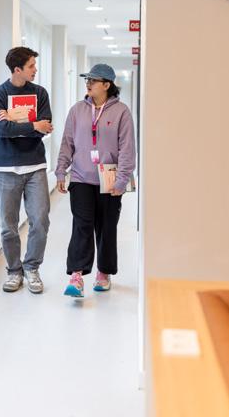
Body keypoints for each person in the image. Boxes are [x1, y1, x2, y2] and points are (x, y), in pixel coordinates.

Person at [55, 63, 136, 298]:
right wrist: (61, 171)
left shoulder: (121, 112)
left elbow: (127, 148)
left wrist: (122, 180)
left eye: (93, 80)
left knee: (106, 228)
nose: (88, 83)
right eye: (87, 79)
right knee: (81, 225)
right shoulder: (77, 110)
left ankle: (104, 271)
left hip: (109, 180)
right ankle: (76, 275)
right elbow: (67, 142)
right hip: (81, 178)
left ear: (107, 85)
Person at [0, 46, 53, 294]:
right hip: (6, 168)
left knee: (40, 221)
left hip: (36, 166)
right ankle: (14, 271)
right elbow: (2, 130)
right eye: (31, 66)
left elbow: (45, 127)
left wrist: (16, 121)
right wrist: (32, 125)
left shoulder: (40, 93)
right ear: (17, 69)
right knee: (9, 226)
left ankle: (32, 268)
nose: (35, 70)